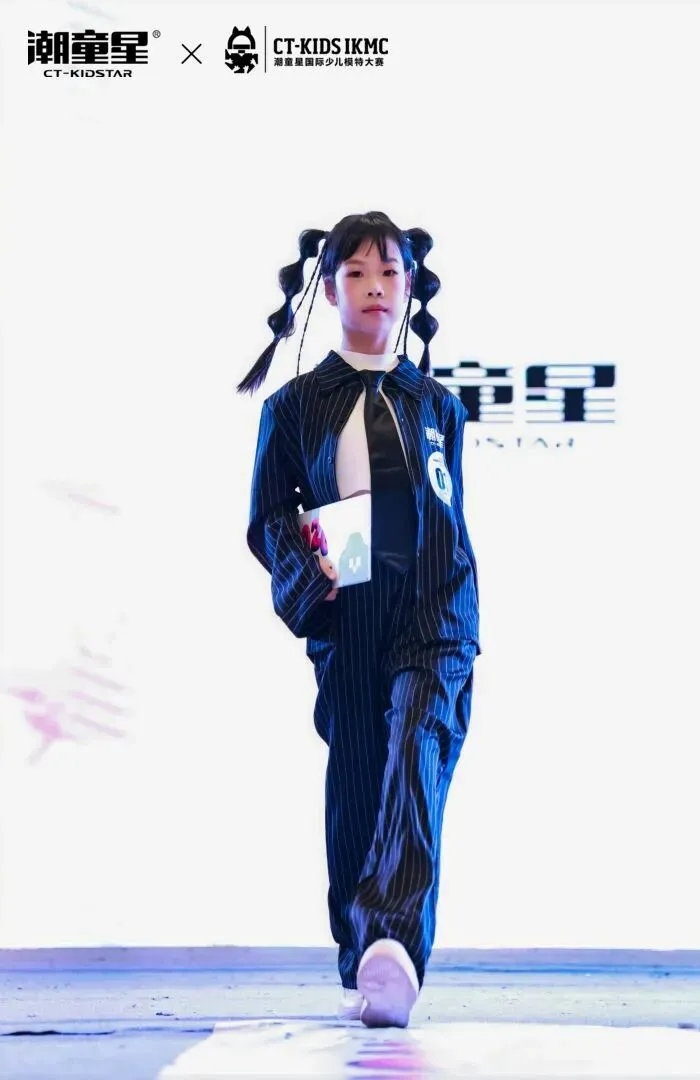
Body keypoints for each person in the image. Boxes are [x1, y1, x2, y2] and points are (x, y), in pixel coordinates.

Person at [237, 211, 480, 1028]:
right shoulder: (295, 406)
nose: (376, 288)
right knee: (358, 780)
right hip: (349, 616)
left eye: (390, 273)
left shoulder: (438, 405)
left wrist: (454, 598)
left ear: (411, 286)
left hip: (437, 607)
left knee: (417, 748)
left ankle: (394, 943)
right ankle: (360, 955)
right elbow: (269, 518)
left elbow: (446, 515)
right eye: (357, 274)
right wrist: (315, 572)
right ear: (330, 288)